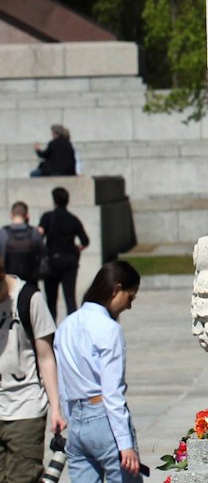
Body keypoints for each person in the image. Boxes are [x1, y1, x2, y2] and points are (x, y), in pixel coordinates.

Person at [52, 261, 139, 483]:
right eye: (130, 297)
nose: (129, 306)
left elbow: (62, 382)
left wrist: (70, 417)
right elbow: (112, 391)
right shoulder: (109, 329)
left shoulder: (65, 325)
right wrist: (125, 443)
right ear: (116, 289)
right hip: (104, 418)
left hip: (77, 419)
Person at [0, 257, 63, 483]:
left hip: (25, 408)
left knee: (23, 477)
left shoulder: (29, 298)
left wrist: (56, 408)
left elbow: (46, 357)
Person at [38, 188, 89, 322]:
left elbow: (39, 235)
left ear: (54, 200)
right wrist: (77, 249)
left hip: (52, 261)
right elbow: (85, 241)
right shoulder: (73, 219)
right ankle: (73, 328)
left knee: (51, 300)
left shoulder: (47, 217)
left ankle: (50, 329)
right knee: (70, 298)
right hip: (69, 261)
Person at [1, 205, 42, 306]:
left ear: (11, 215)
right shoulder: (34, 232)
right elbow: (41, 254)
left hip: (9, 282)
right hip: (31, 281)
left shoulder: (3, 233)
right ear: (27, 216)